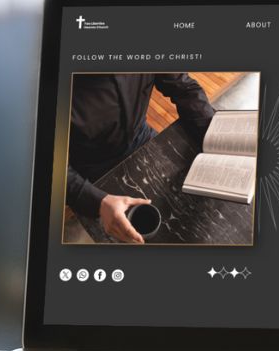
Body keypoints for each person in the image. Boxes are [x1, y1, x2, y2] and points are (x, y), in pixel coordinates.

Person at [66, 73, 214, 243]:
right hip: (92, 171)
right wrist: (98, 202)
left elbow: (184, 88)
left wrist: (214, 137)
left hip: (142, 138)